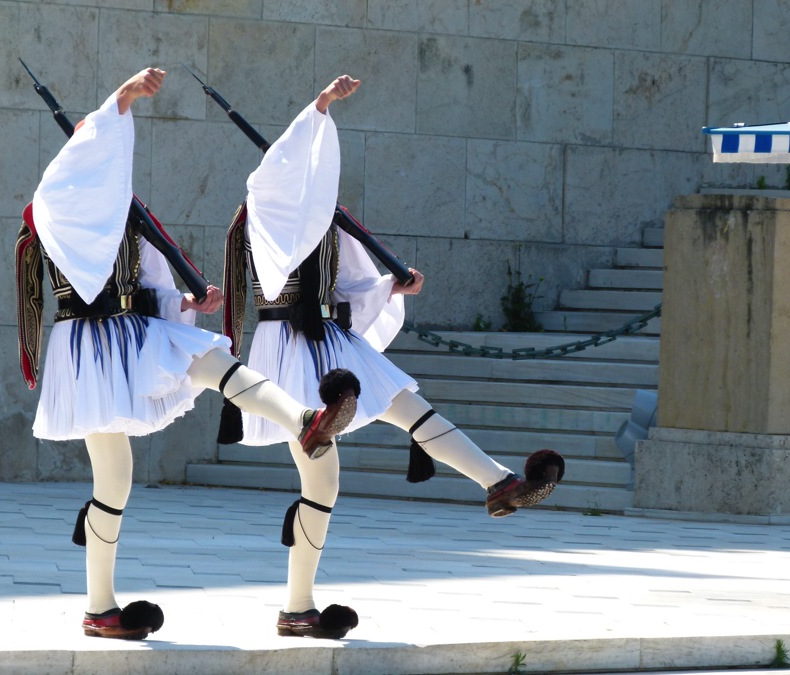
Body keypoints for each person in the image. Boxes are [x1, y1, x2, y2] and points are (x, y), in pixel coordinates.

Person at [16, 67, 358, 641]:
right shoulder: (52, 207)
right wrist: (119, 101)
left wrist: (189, 302)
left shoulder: (127, 215)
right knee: (114, 481)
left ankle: (304, 420)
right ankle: (99, 608)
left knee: (211, 357)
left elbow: (151, 280)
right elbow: (76, 175)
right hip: (90, 345)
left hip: (137, 327)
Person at [220, 75, 566, 640]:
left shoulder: (331, 221)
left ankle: (499, 482)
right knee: (322, 485)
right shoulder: (258, 215)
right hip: (287, 347)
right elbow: (274, 221)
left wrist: (391, 288)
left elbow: (355, 285)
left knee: (410, 407)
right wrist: (321, 108)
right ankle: (297, 606)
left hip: (335, 339)